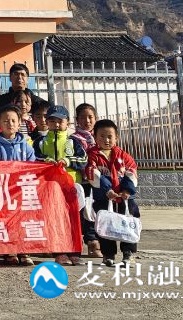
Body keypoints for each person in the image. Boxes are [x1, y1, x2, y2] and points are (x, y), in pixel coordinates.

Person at [34, 105, 86, 266]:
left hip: (71, 187)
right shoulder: (41, 142)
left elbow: (84, 160)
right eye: (52, 121)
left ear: (67, 122)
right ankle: (59, 252)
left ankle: (75, 252)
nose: (56, 124)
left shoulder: (74, 141)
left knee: (73, 220)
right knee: (55, 219)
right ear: (46, 122)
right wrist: (46, 162)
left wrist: (68, 161)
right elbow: (34, 159)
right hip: (50, 188)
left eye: (60, 121)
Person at [85, 119, 139, 267]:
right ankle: (108, 255)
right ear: (95, 137)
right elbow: (92, 173)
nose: (106, 140)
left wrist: (127, 190)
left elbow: (131, 171)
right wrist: (107, 190)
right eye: (102, 136)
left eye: (110, 136)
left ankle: (128, 254)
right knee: (105, 225)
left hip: (124, 199)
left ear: (116, 137)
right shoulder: (92, 155)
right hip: (103, 198)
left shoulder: (123, 155)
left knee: (127, 224)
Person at [0, 105, 36, 266]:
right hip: (3, 190)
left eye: (13, 121)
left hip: (22, 189)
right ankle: (8, 249)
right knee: (6, 219)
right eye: (5, 121)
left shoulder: (26, 146)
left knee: (23, 219)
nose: (9, 124)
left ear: (19, 124)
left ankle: (23, 249)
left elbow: (33, 166)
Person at [74, 103, 101, 258]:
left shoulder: (101, 136)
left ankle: (96, 239)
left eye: (90, 117)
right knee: (84, 211)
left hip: (100, 182)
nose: (87, 121)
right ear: (77, 120)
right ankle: (89, 241)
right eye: (83, 117)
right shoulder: (74, 139)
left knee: (95, 211)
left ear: (95, 118)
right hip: (83, 181)